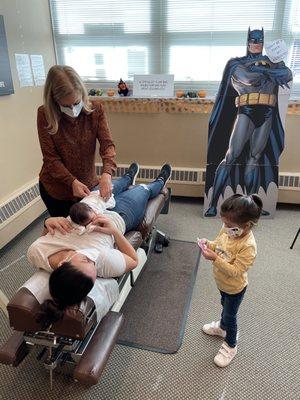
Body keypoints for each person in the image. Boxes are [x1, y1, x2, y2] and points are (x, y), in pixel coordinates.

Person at [28, 163, 172, 328]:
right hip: (119, 216)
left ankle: (128, 177)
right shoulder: (102, 261)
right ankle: (161, 181)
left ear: (62, 264)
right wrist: (115, 232)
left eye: (85, 261)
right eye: (94, 268)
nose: (92, 260)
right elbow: (133, 259)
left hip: (89, 206)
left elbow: (44, 237)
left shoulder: (37, 253)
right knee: (144, 190)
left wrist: (48, 223)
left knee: (113, 184)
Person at [204, 28, 292, 217]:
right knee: (232, 156)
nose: (257, 43)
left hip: (267, 112)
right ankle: (212, 204)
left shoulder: (272, 61)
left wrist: (264, 69)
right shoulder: (236, 63)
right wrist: (269, 72)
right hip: (247, 110)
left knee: (255, 158)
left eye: (260, 40)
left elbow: (287, 75)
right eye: (253, 40)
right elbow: (247, 79)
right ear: (247, 41)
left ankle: (251, 206)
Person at [37, 65, 117, 218]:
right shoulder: (45, 114)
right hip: (56, 189)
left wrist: (107, 174)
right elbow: (51, 159)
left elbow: (107, 145)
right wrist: (71, 181)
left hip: (88, 184)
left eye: (76, 102)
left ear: (82, 93)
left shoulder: (96, 110)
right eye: (66, 105)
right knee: (66, 233)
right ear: (54, 99)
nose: (73, 109)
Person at [198, 193, 262, 367]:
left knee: (230, 315)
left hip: (235, 288)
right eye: (223, 223)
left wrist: (214, 259)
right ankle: (222, 327)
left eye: (229, 225)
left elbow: (235, 271)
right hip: (222, 283)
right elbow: (219, 244)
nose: (225, 227)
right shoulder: (228, 230)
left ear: (246, 226)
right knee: (224, 306)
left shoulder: (248, 246)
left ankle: (231, 345)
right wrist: (208, 244)